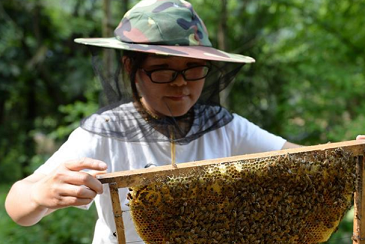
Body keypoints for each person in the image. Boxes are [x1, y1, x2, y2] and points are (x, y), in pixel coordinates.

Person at [5, 0, 318, 243]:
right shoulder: (104, 132)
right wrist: (39, 194)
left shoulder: (227, 128)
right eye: (164, 70)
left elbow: (308, 160)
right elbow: (18, 207)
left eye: (193, 69)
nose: (181, 84)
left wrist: (350, 154)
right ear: (131, 66)